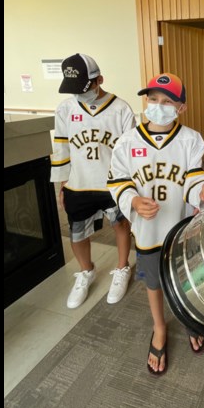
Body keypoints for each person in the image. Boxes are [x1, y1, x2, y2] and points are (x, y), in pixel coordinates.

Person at [107, 73, 204, 376]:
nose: (158, 106)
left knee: (185, 279)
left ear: (180, 108)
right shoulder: (127, 141)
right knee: (154, 283)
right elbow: (117, 180)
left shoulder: (190, 139)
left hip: (180, 227)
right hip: (147, 232)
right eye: (153, 99)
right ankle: (159, 327)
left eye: (167, 101)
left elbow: (194, 177)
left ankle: (188, 319)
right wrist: (131, 200)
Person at [51, 53, 136, 309]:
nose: (80, 94)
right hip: (79, 183)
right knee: (77, 232)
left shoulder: (121, 108)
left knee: (121, 226)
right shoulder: (65, 109)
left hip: (112, 184)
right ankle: (86, 271)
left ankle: (122, 268)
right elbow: (61, 148)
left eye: (84, 88)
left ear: (99, 79)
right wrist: (63, 183)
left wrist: (130, 186)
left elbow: (130, 151)